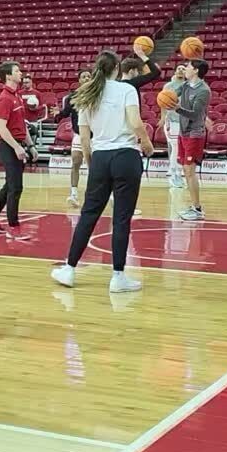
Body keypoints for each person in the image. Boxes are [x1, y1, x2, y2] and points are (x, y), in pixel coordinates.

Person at [51, 51, 153, 292]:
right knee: (121, 217)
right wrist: (147, 145)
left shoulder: (86, 93)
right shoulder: (126, 89)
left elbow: (84, 138)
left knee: (88, 214)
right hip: (126, 156)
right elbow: (136, 122)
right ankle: (118, 277)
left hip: (100, 157)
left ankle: (69, 269)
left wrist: (91, 162)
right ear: (117, 69)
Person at [0, 60, 32, 239]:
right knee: (16, 187)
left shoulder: (17, 96)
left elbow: (22, 124)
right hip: (8, 146)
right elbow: (1, 127)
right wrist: (16, 147)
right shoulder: (5, 98)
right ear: (8, 76)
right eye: (17, 71)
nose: (20, 73)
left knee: (9, 186)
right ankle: (14, 227)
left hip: (18, 144)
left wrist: (30, 145)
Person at [172, 59, 211, 221]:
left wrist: (177, 108)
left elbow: (195, 114)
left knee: (189, 171)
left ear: (195, 70)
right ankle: (194, 207)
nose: (185, 69)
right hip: (183, 132)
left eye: (187, 67)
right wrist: (166, 97)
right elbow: (173, 94)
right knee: (186, 171)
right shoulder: (186, 85)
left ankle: (197, 208)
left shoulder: (204, 90)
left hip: (195, 133)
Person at [56, 69, 92, 207]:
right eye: (84, 76)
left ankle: (95, 195)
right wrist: (58, 113)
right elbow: (65, 113)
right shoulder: (73, 97)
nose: (87, 78)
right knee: (76, 163)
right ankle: (74, 194)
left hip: (95, 136)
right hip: (79, 135)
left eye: (89, 76)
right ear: (79, 80)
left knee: (94, 167)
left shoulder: (97, 95)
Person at [159, 65, 188, 189]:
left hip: (184, 120)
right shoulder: (168, 86)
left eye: (183, 69)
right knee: (175, 146)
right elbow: (162, 103)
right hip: (171, 120)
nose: (181, 70)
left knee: (181, 147)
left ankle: (178, 171)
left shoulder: (188, 86)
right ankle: (173, 174)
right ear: (175, 71)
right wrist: (162, 118)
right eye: (179, 68)